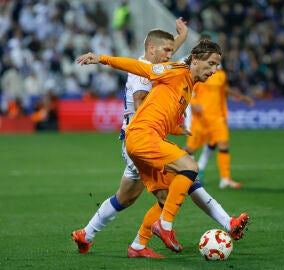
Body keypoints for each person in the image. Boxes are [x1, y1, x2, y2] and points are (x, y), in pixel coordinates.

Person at [72, 22, 248, 258]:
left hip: (145, 138)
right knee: (188, 171)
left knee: (139, 196)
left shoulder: (184, 80)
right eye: (166, 50)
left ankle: (116, 241)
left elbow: (174, 79)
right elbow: (142, 88)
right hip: (140, 137)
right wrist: (102, 58)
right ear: (152, 48)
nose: (170, 53)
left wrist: (174, 127)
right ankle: (172, 226)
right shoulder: (160, 70)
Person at [185, 67, 254, 188]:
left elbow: (223, 93)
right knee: (191, 149)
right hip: (201, 119)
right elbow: (188, 91)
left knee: (223, 146)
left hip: (217, 118)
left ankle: (225, 179)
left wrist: (225, 114)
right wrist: (195, 104)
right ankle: (180, 173)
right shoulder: (199, 73)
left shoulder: (221, 74)